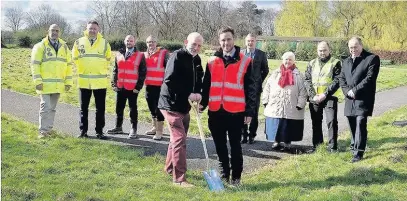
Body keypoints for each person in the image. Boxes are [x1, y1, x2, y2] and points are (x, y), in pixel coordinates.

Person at [200, 27, 257, 187]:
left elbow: (251, 88)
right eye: (223, 40)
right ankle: (224, 175)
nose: (226, 43)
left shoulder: (245, 61)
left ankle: (236, 178)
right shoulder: (211, 61)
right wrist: (203, 104)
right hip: (216, 111)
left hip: (236, 112)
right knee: (219, 146)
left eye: (229, 39)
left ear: (234, 40)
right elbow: (206, 86)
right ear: (219, 41)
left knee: (235, 146)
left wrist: (250, 111)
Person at [158, 32, 204, 188]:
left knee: (176, 139)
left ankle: (170, 168)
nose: (196, 47)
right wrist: (188, 94)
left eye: (199, 45)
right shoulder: (177, 56)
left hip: (185, 106)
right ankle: (179, 179)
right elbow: (169, 80)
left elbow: (198, 81)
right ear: (186, 42)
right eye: (194, 44)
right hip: (170, 104)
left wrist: (199, 96)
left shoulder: (197, 59)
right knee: (179, 139)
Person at [339, 36, 380, 163]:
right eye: (351, 47)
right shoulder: (345, 61)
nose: (353, 50)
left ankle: (359, 153)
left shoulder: (372, 58)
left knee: (361, 122)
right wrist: (347, 92)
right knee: (351, 123)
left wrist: (355, 90)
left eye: (355, 47)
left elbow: (370, 78)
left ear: (361, 46)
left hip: (363, 99)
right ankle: (353, 146)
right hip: (349, 99)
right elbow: (341, 78)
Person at [30, 24, 73, 139]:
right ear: (48, 32)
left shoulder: (64, 47)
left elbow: (69, 65)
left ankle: (49, 130)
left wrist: (68, 82)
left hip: (58, 84)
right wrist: (37, 81)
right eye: (52, 30)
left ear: (60, 33)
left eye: (57, 31)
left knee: (52, 108)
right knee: (45, 107)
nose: (55, 33)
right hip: (44, 84)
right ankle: (43, 131)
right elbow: (35, 65)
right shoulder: (40, 46)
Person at [72, 20, 112, 139]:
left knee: (100, 109)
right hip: (84, 81)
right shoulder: (78, 42)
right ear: (86, 29)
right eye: (90, 28)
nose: (92, 30)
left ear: (98, 30)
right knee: (83, 108)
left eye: (94, 28)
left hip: (100, 82)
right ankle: (83, 132)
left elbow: (108, 59)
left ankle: (99, 132)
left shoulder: (105, 43)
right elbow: (74, 58)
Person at [261, 52, 307, 151]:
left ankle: (287, 143)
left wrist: (300, 104)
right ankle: (276, 141)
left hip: (292, 106)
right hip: (275, 105)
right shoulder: (275, 73)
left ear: (294, 61)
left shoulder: (298, 75)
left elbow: (303, 91)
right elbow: (267, 87)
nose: (288, 61)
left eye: (290, 59)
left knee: (288, 126)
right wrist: (265, 100)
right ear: (282, 60)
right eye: (286, 59)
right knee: (276, 124)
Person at [304, 41, 342, 152]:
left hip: (330, 97)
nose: (322, 52)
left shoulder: (335, 63)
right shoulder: (312, 63)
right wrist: (313, 95)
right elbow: (307, 79)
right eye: (320, 50)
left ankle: (332, 148)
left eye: (324, 50)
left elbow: (337, 80)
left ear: (329, 50)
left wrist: (325, 94)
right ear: (317, 51)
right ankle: (317, 147)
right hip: (315, 98)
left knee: (331, 122)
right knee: (316, 123)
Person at [107, 35, 146, 139]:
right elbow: (115, 70)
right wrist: (114, 84)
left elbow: (143, 72)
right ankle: (118, 127)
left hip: (133, 88)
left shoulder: (140, 55)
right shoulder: (118, 54)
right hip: (120, 87)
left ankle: (133, 129)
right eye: (127, 40)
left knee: (133, 109)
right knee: (119, 108)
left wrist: (138, 87)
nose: (129, 42)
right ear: (125, 42)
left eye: (131, 41)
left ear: (134, 42)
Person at [240, 33, 269, 144]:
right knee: (242, 111)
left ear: (255, 42)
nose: (250, 43)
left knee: (254, 112)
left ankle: (252, 135)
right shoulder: (240, 53)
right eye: (248, 41)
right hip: (242, 88)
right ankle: (244, 134)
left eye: (252, 41)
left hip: (255, 89)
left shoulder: (261, 54)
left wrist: (258, 81)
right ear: (245, 41)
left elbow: (265, 70)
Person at [143, 35, 169, 140]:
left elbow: (169, 69)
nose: (151, 44)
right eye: (149, 42)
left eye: (153, 42)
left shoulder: (164, 53)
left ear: (156, 43)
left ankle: (159, 131)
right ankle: (154, 127)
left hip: (160, 87)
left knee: (159, 109)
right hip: (148, 86)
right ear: (146, 43)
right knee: (151, 108)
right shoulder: (144, 55)